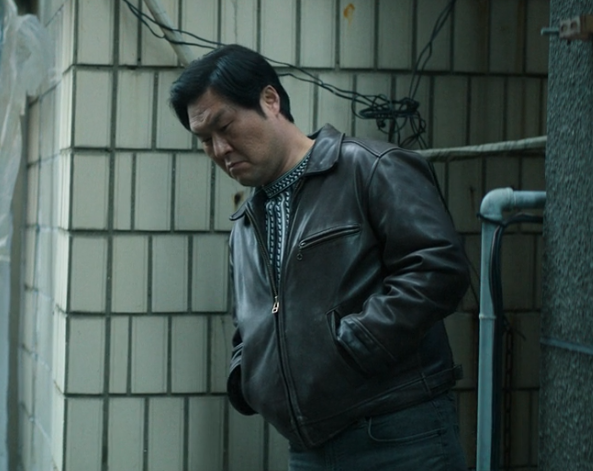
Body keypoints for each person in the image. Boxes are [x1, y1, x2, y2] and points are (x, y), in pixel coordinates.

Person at [169, 44, 470, 471]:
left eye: (225, 126)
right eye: (205, 140)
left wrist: (357, 344)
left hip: (397, 433)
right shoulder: (245, 226)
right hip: (307, 448)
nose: (220, 149)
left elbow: (439, 269)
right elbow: (249, 323)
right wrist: (246, 373)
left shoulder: (370, 168)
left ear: (270, 100)